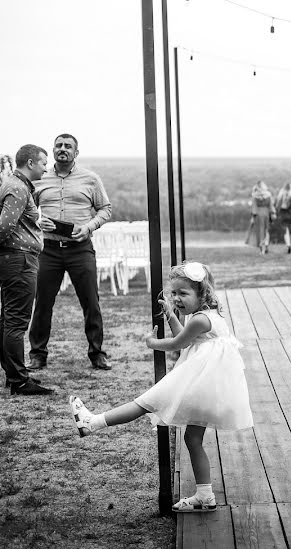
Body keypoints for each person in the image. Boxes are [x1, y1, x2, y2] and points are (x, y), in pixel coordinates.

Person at [69, 262, 254, 512]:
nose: (176, 298)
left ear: (202, 293)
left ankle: (92, 423)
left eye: (183, 293)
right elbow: (187, 340)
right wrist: (169, 314)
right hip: (208, 385)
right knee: (191, 438)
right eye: (174, 293)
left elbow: (177, 343)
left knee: (146, 402)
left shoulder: (199, 320)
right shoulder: (207, 316)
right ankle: (205, 495)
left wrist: (152, 343)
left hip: (200, 382)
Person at [29, 134, 113, 371]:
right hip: (49, 250)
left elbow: (105, 210)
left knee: (90, 301)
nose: (62, 149)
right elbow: (28, 210)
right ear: (53, 150)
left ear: (76, 153)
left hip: (80, 249)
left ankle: (97, 354)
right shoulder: (40, 178)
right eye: (58, 146)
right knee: (43, 302)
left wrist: (88, 228)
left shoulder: (91, 179)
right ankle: (37, 355)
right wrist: (37, 220)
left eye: (68, 146)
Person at [0, 144, 51, 395]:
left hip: (15, 259)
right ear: (30, 163)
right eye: (43, 162)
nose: (46, 167)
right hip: (19, 260)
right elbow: (3, 227)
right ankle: (19, 380)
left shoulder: (14, 185)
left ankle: (13, 375)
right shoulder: (18, 188)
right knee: (16, 321)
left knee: (8, 319)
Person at [247, 181, 274, 254]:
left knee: (260, 232)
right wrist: (272, 213)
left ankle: (262, 249)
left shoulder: (255, 196)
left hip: (258, 214)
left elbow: (254, 208)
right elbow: (271, 206)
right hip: (267, 214)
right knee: (266, 231)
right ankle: (266, 246)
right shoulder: (268, 195)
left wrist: (253, 217)